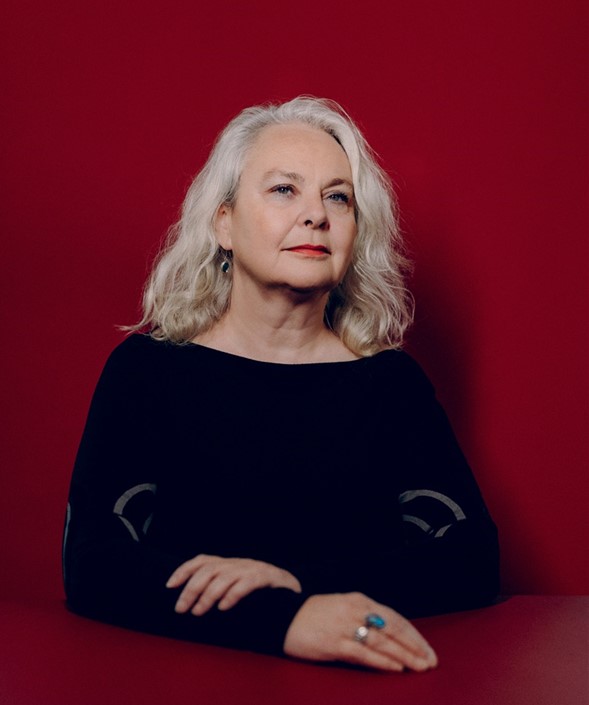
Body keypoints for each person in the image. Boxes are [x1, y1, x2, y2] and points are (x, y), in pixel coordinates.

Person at [63, 96, 499, 673]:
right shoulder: (145, 372)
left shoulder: (391, 384)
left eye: (337, 197)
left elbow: (472, 558)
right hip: (186, 683)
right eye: (284, 189)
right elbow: (93, 561)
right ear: (224, 223)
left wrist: (298, 584)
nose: (316, 214)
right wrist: (283, 619)